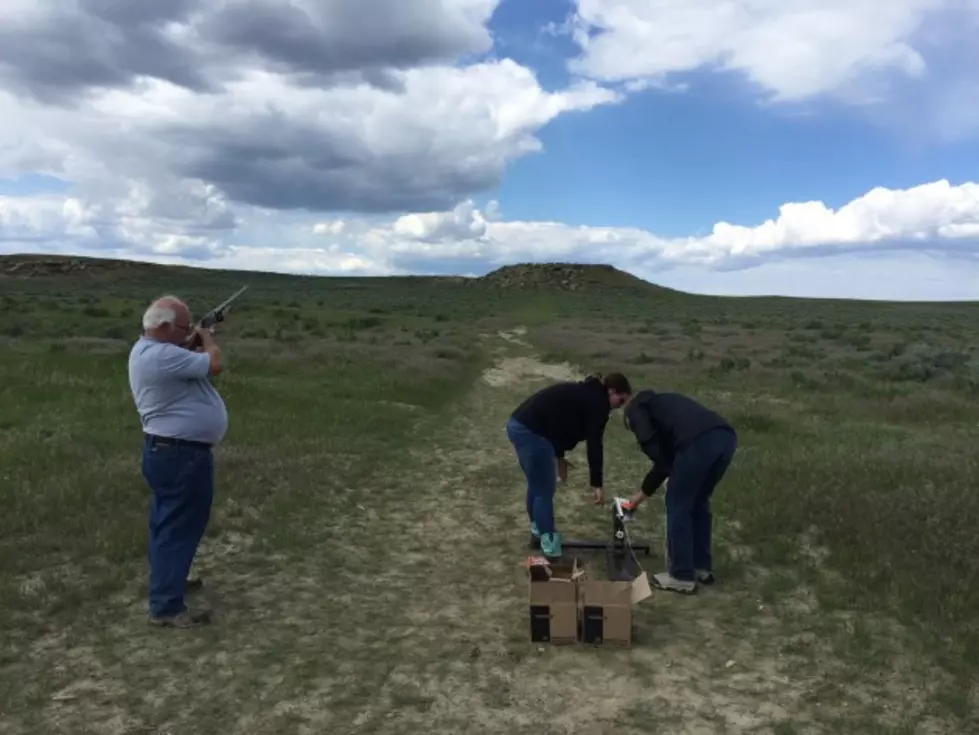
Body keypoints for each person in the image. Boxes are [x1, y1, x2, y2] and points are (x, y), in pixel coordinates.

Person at [128, 295, 228, 628]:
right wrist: (208, 337)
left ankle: (169, 582)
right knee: (179, 527)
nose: (189, 332)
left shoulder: (152, 352)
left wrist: (195, 337)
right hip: (179, 454)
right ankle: (167, 606)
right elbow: (214, 364)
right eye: (184, 327)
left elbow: (192, 360)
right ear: (166, 327)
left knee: (168, 524)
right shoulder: (160, 356)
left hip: (170, 452)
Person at [621, 388, 737, 594]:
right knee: (699, 501)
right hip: (725, 437)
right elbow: (667, 461)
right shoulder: (663, 402)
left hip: (698, 443)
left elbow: (661, 462)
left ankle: (681, 575)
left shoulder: (635, 412)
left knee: (678, 503)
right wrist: (642, 495)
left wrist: (640, 495)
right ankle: (701, 567)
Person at [506, 372, 632, 558]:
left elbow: (559, 421)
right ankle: (549, 547)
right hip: (531, 432)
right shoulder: (598, 403)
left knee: (537, 484)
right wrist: (597, 484)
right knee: (543, 489)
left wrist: (559, 457)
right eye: (620, 400)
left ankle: (538, 531)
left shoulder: (588, 394)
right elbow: (594, 443)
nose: (620, 406)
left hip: (519, 424)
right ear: (612, 391)